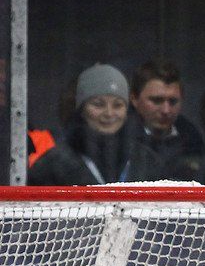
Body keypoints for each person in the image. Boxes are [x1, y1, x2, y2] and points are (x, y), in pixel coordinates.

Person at [28, 64, 165, 185]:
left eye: (118, 105)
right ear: (81, 109)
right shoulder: (53, 164)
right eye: (98, 104)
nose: (109, 113)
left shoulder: (147, 161)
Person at [128, 59, 205, 180]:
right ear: (134, 99)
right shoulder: (121, 138)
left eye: (173, 101)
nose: (166, 110)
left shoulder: (191, 138)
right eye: (156, 100)